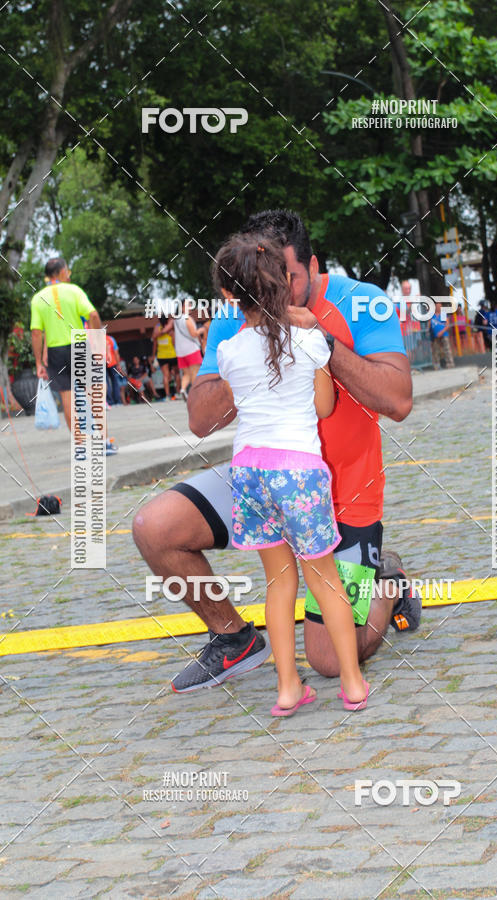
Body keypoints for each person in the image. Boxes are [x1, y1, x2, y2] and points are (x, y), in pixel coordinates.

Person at [133, 209, 419, 693]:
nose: (280, 294)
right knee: (153, 528)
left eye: (290, 280)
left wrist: (319, 342)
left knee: (328, 660)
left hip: (345, 489)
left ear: (313, 264)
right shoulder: (238, 318)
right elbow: (200, 420)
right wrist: (261, 345)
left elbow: (399, 400)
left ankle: (387, 582)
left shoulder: (362, 301)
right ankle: (234, 639)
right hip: (264, 474)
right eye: (268, 283)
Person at [214, 233, 368, 714]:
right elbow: (324, 407)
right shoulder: (308, 341)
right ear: (284, 282)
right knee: (326, 582)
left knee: (280, 584)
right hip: (298, 472)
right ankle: (353, 684)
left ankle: (287, 688)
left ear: (227, 295)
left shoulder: (228, 352)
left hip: (249, 471)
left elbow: (242, 407)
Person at [30, 257, 118, 454]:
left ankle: (80, 447)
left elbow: (36, 332)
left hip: (55, 351)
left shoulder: (38, 299)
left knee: (68, 399)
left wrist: (38, 362)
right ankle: (104, 443)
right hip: (79, 344)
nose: (69, 274)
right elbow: (93, 315)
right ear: (62, 272)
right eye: (67, 270)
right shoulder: (74, 291)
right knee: (94, 394)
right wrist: (97, 342)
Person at [173, 304, 205, 400]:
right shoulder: (187, 318)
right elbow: (193, 334)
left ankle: (183, 390)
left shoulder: (176, 320)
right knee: (195, 372)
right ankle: (195, 393)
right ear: (182, 307)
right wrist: (202, 329)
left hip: (180, 351)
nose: (190, 306)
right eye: (188, 305)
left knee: (187, 373)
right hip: (191, 349)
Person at [151, 315, 179, 400]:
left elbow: (154, 344)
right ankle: (177, 393)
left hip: (161, 356)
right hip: (172, 355)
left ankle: (167, 395)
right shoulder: (171, 331)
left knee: (165, 376)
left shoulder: (157, 331)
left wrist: (153, 355)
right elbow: (174, 343)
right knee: (177, 374)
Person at [430, 302, 455, 369]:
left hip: (444, 334)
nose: (438, 308)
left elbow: (447, 325)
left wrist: (441, 332)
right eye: (437, 306)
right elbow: (429, 325)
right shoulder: (432, 315)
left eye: (439, 306)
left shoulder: (443, 314)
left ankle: (450, 363)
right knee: (435, 350)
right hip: (435, 336)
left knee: (447, 349)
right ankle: (437, 365)